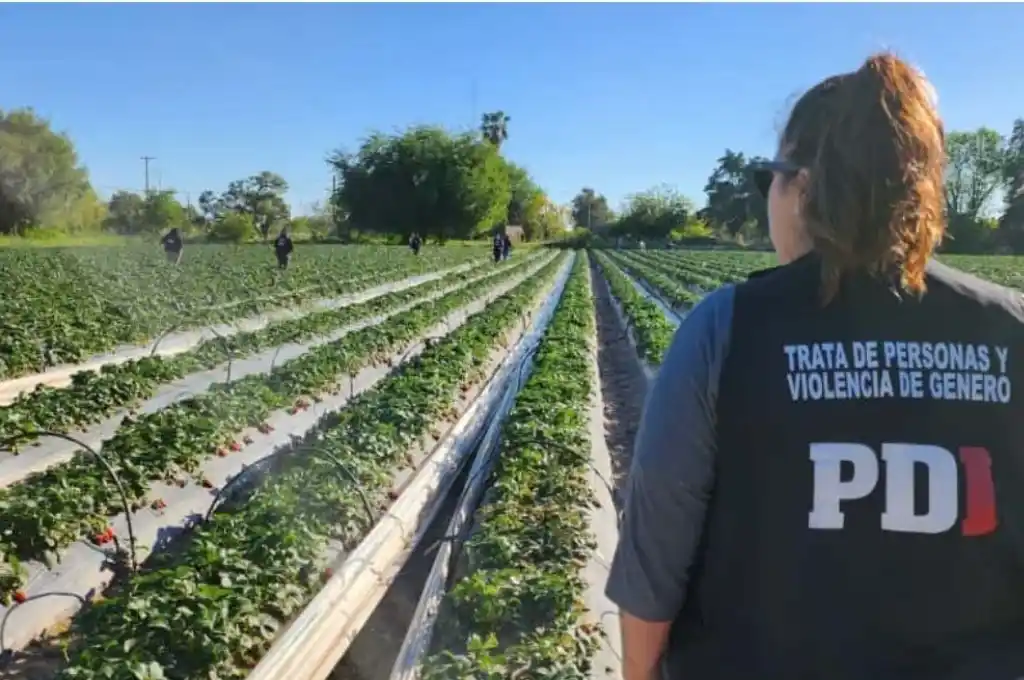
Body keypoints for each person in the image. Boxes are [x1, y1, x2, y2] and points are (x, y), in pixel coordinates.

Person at [606, 52, 1024, 680]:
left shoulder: (728, 328)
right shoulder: (1010, 329)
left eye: (767, 179)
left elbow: (653, 570)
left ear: (802, 185)